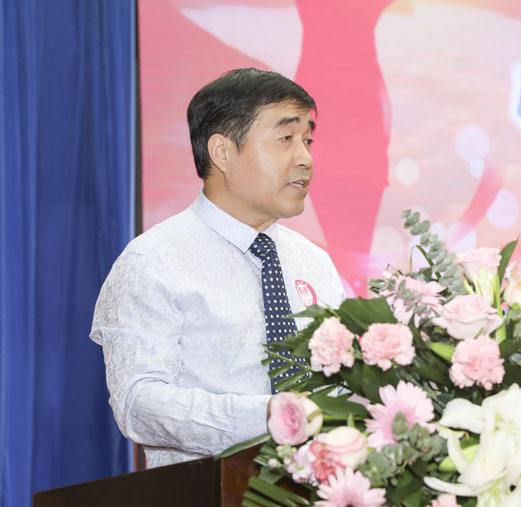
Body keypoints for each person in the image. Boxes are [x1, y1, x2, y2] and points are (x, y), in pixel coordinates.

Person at [90, 68, 345, 468]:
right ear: (222, 152)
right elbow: (138, 404)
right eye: (285, 139)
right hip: (205, 488)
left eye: (307, 141)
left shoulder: (315, 263)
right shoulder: (153, 262)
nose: (305, 159)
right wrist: (269, 417)